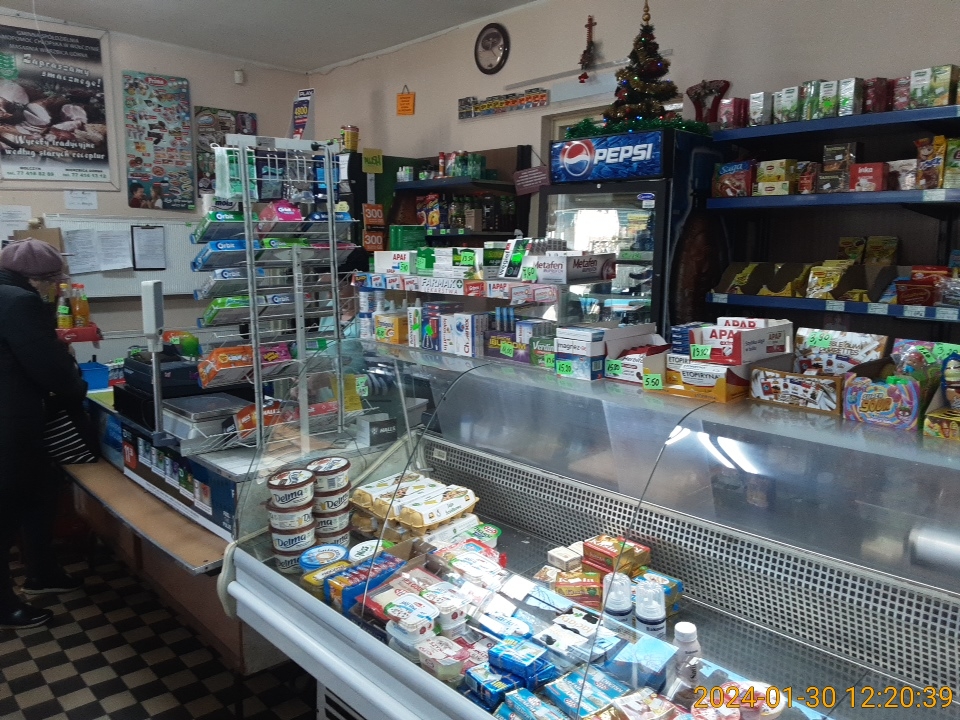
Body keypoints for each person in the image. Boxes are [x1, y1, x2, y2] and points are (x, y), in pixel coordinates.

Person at [0, 239, 88, 629]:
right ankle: (4, 607)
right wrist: (76, 385)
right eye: (53, 282)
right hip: (10, 423)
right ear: (37, 279)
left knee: (38, 493)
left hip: (15, 420)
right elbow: (50, 369)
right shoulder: (20, 301)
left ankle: (42, 572)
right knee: (7, 511)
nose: (54, 289)